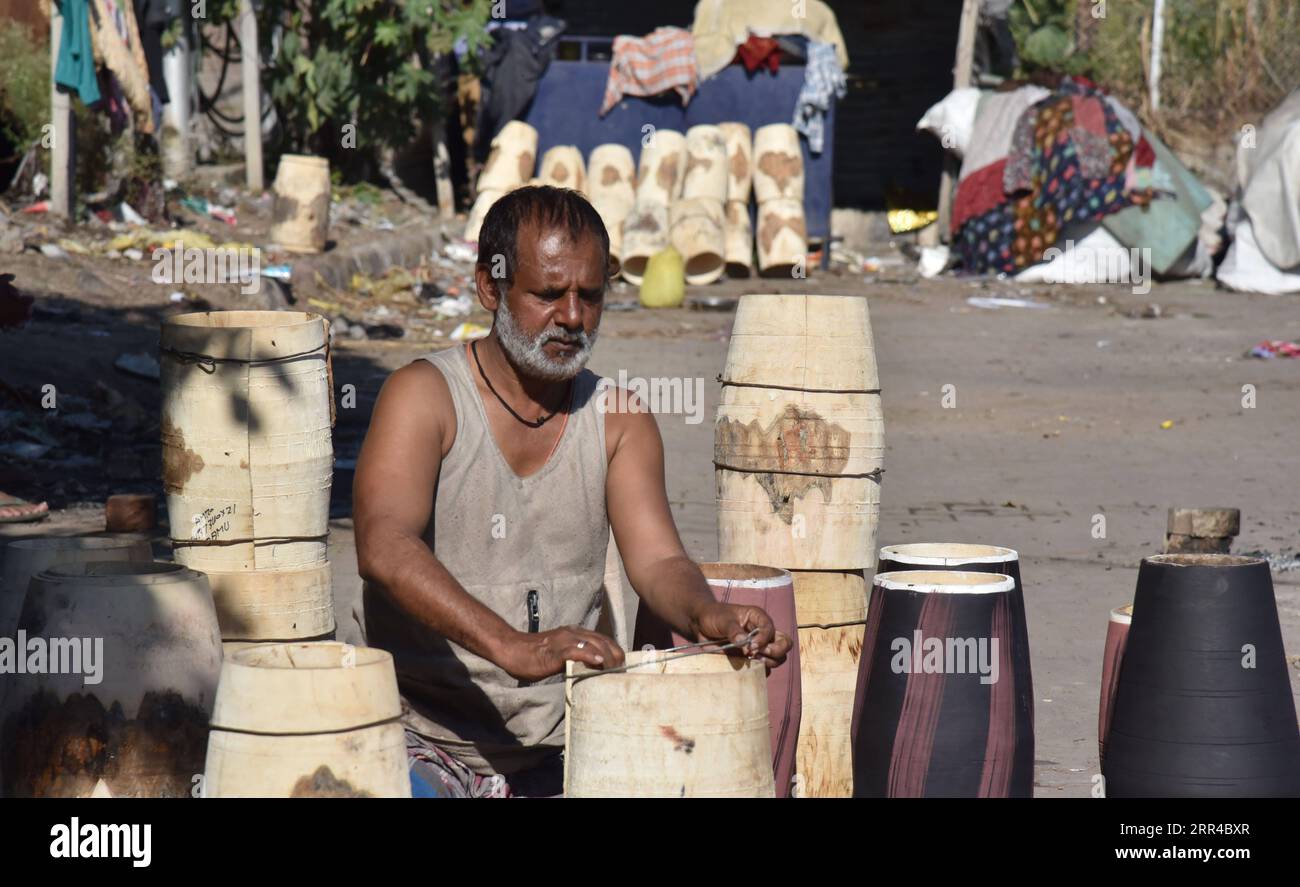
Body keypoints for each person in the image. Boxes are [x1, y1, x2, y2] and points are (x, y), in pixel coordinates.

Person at [353, 186, 790, 797]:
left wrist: (706, 613)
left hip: (567, 742)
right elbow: (383, 546)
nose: (573, 318)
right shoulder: (423, 397)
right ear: (490, 288)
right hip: (422, 736)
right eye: (548, 294)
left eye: (590, 296)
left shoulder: (619, 420)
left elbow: (659, 561)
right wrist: (512, 646)